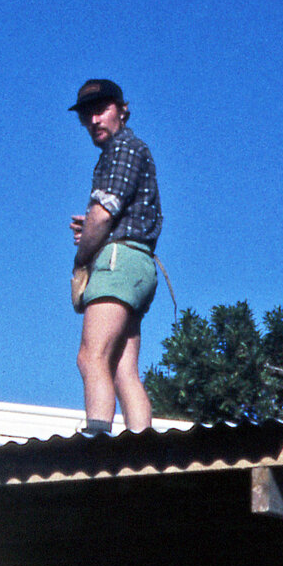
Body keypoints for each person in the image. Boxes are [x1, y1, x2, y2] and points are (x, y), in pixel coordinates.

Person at [67, 78, 161, 435]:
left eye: (101, 109)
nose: (93, 119)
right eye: (86, 114)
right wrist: (93, 228)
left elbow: (104, 213)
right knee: (123, 370)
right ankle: (144, 447)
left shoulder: (123, 148)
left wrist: (82, 256)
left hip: (118, 262)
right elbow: (112, 217)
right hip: (139, 264)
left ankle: (96, 437)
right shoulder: (131, 150)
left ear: (123, 109)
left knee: (91, 356)